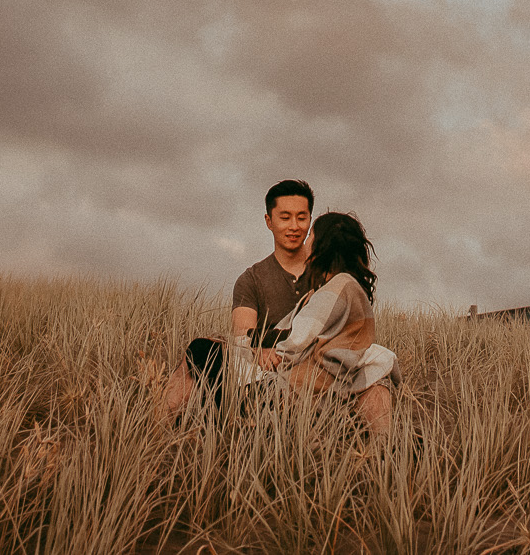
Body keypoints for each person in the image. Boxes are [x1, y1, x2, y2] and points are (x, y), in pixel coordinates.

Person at [160, 179, 317, 419]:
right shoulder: (252, 279)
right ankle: (155, 433)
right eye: (285, 218)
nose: (294, 226)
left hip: (315, 369)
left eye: (301, 217)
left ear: (310, 221)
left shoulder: (326, 272)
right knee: (199, 352)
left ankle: (382, 448)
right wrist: (260, 349)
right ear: (269, 222)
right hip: (263, 370)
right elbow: (243, 333)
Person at [264, 210, 398, 433]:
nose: (305, 240)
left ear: (321, 246)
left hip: (303, 385)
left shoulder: (339, 286)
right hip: (314, 383)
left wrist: (257, 352)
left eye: (310, 236)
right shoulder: (334, 288)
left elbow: (295, 341)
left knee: (204, 351)